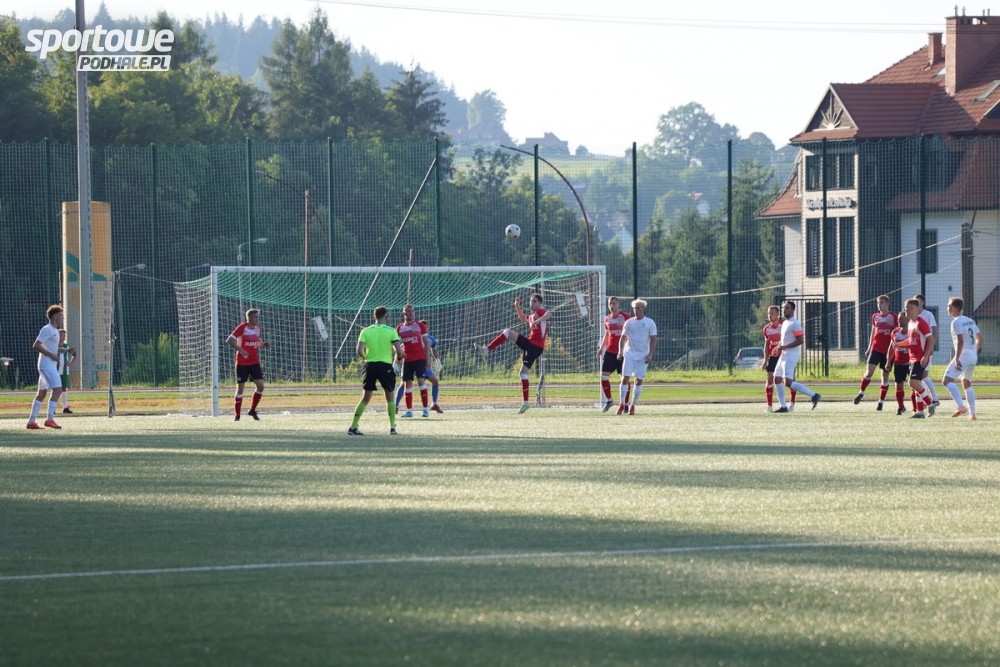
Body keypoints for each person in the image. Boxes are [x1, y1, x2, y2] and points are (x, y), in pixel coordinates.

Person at [481, 293, 552, 413]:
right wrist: (517, 306)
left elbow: (549, 314)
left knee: (508, 333)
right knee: (522, 373)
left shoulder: (540, 312)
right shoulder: (532, 316)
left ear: (540, 303)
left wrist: (537, 321)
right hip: (530, 345)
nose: (531, 303)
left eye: (534, 301)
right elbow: (523, 318)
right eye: (530, 301)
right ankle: (525, 403)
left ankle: (486, 350)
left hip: (536, 347)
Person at [349, 305, 405, 435]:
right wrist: (399, 358)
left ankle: (353, 426)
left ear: (374, 316)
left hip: (370, 366)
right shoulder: (391, 331)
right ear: (386, 317)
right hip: (385, 366)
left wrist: (367, 358)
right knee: (390, 397)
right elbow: (399, 351)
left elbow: (359, 351)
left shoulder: (366, 331)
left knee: (365, 398)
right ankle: (392, 427)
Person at [27, 305, 73, 429]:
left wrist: (66, 350)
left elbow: (52, 348)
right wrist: (51, 355)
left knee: (42, 393)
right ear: (54, 317)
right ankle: (50, 419)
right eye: (60, 315)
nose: (62, 318)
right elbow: (36, 345)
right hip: (46, 365)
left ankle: (31, 422)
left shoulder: (55, 332)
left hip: (49, 365)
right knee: (58, 390)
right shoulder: (47, 329)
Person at [772, 300, 821, 413]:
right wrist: (778, 346)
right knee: (777, 378)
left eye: (787, 308)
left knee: (788, 382)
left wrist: (784, 347)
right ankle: (783, 407)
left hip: (791, 355)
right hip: (784, 355)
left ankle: (814, 395)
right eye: (783, 308)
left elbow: (800, 341)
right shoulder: (785, 322)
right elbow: (784, 339)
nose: (784, 310)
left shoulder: (795, 323)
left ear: (793, 310)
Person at [942, 297, 983, 420]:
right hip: (973, 356)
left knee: (947, 380)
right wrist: (973, 351)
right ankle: (972, 414)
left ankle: (960, 406)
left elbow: (960, 340)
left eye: (949, 306)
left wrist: (957, 358)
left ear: (954, 308)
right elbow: (980, 339)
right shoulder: (970, 320)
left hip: (963, 356)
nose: (947, 308)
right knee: (966, 383)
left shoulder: (956, 322)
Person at [853, 295, 897, 410]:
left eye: (882, 302)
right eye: (878, 303)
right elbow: (873, 332)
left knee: (885, 376)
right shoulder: (875, 316)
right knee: (869, 373)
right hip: (876, 349)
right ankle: (861, 393)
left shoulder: (893, 317)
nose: (879, 305)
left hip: (888, 351)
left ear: (887, 304)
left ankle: (881, 402)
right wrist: (869, 348)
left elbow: (898, 331)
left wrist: (891, 326)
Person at [226, 308, 270, 421]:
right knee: (240, 389)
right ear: (249, 318)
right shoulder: (242, 327)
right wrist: (241, 350)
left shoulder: (257, 329)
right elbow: (229, 340)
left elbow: (256, 342)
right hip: (242, 363)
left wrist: (263, 344)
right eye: (255, 317)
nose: (257, 319)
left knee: (261, 386)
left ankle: (252, 410)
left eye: (258, 317)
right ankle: (237, 415)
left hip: (254, 362)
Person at [616, 298, 657, 415]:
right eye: (634, 308)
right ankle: (622, 404)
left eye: (638, 308)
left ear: (643, 309)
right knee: (625, 378)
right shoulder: (629, 322)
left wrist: (650, 354)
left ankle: (633, 405)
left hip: (643, 356)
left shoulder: (650, 322)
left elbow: (653, 339)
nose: (636, 310)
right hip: (629, 354)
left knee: (638, 381)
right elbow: (623, 338)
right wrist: (620, 351)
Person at [396, 319, 443, 413]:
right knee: (404, 384)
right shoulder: (412, 336)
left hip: (423, 364)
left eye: (425, 327)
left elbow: (433, 349)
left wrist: (438, 361)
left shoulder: (430, 339)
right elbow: (400, 347)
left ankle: (433, 404)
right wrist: (396, 361)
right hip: (410, 361)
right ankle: (396, 405)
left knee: (435, 381)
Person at [397, 305, 433, 418]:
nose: (411, 313)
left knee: (421, 381)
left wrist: (428, 359)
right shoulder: (399, 328)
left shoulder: (420, 325)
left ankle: (425, 409)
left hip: (419, 358)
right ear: (404, 313)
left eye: (412, 311)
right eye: (408, 311)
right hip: (407, 360)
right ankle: (409, 411)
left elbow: (426, 343)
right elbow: (395, 343)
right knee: (407, 384)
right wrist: (398, 355)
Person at [597, 296, 630, 412]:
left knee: (624, 378)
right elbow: (607, 334)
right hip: (610, 352)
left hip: (623, 352)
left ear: (618, 304)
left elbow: (631, 332)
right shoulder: (607, 319)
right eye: (610, 303)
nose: (612, 306)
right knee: (603, 376)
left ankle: (625, 404)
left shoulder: (625, 317)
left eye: (614, 303)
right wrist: (601, 348)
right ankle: (610, 400)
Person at [904, 298, 935, 419]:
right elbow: (910, 341)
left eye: (909, 308)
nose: (906, 310)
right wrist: (898, 344)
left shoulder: (921, 322)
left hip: (919, 358)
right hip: (912, 358)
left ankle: (930, 403)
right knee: (917, 384)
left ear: (915, 309)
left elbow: (931, 339)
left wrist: (925, 356)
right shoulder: (910, 323)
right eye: (906, 308)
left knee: (912, 383)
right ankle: (920, 411)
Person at [913, 294, 941, 413]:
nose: (916, 303)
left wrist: (932, 346)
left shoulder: (928, 315)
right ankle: (927, 401)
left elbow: (934, 330)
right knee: (919, 377)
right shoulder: (913, 316)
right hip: (916, 351)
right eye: (914, 301)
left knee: (923, 375)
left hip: (926, 350)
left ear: (923, 303)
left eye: (918, 301)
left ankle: (934, 399)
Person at [885, 310, 911, 415]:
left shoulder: (912, 331)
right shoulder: (895, 332)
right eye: (898, 319)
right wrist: (888, 362)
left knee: (914, 385)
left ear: (908, 319)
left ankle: (916, 407)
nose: (899, 321)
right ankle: (901, 406)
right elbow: (891, 347)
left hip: (911, 362)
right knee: (898, 385)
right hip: (899, 363)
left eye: (901, 319)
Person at [762, 305, 782, 412]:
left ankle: (791, 403)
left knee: (789, 379)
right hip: (772, 357)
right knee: (770, 378)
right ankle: (769, 406)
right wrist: (765, 360)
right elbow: (766, 345)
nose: (770, 315)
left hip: (783, 356)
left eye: (772, 313)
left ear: (778, 314)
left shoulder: (783, 326)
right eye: (769, 313)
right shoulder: (766, 329)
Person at [58, 328, 77, 414]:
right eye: (61, 335)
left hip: (65, 371)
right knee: (55, 388)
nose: (63, 337)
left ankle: (65, 407)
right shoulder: (54, 346)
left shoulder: (67, 346)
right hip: (55, 370)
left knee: (64, 388)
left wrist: (70, 362)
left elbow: (74, 355)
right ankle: (52, 408)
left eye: (64, 336)